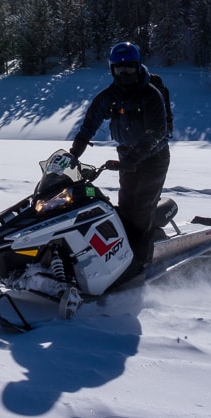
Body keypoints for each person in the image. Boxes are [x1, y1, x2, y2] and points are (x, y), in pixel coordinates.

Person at [69, 41, 170, 279]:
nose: (125, 74)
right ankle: (119, 258)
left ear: (138, 67)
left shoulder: (150, 95)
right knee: (124, 210)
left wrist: (134, 158)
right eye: (119, 70)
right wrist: (74, 153)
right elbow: (89, 124)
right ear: (112, 70)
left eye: (129, 69)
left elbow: (157, 133)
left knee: (141, 210)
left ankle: (140, 268)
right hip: (126, 159)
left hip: (153, 159)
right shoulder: (109, 96)